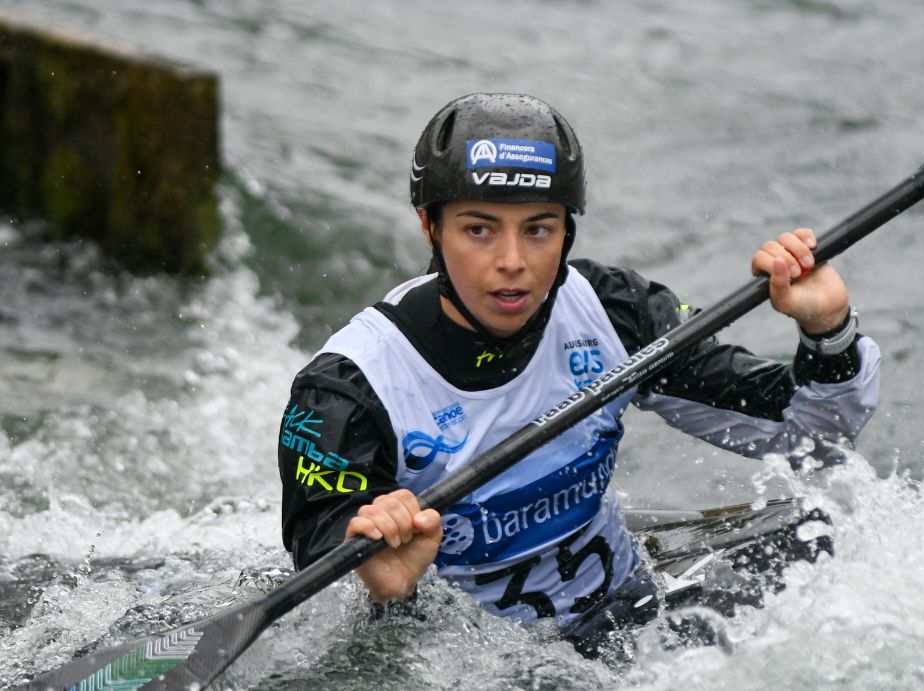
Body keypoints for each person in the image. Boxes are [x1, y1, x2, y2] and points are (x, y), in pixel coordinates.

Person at [278, 92, 880, 656]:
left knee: (822, 535)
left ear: (567, 231)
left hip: (628, 612)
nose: (512, 262)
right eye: (479, 229)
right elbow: (320, 583)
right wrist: (384, 581)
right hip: (469, 658)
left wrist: (827, 332)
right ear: (430, 227)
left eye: (538, 228)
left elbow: (813, 438)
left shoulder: (614, 313)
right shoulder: (348, 390)